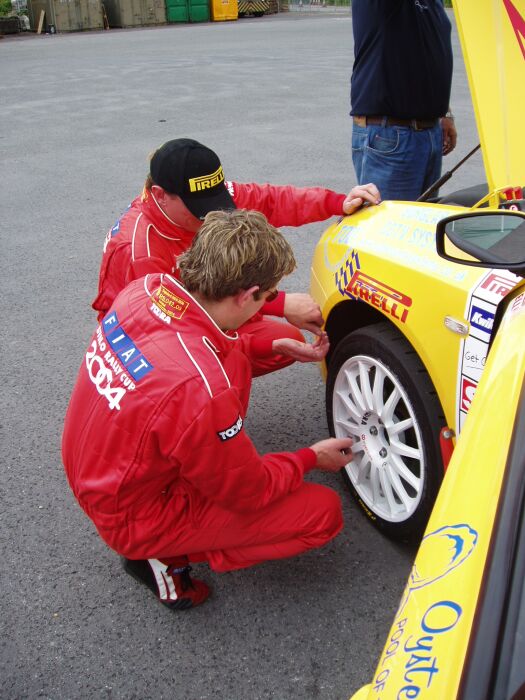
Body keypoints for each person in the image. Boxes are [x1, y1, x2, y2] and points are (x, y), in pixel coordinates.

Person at [63, 209, 353, 611]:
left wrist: (266, 345)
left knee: (235, 358)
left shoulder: (146, 288)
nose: (269, 303)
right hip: (134, 513)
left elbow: (189, 350)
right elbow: (249, 491)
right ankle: (165, 554)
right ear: (247, 295)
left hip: (95, 465)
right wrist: (309, 457)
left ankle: (190, 510)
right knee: (322, 513)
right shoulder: (202, 390)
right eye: (268, 296)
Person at [92, 138, 381, 376]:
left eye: (216, 201)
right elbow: (176, 323)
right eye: (200, 210)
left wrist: (337, 203)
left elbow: (272, 200)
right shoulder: (138, 250)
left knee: (283, 341)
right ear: (160, 194)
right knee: (225, 362)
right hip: (151, 337)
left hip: (203, 308)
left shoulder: (201, 192)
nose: (212, 216)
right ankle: (209, 406)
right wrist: (276, 302)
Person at [350, 0, 458, 201]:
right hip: (392, 136)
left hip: (427, 134)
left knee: (423, 228)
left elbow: (425, 54)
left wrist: (444, 114)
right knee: (389, 229)